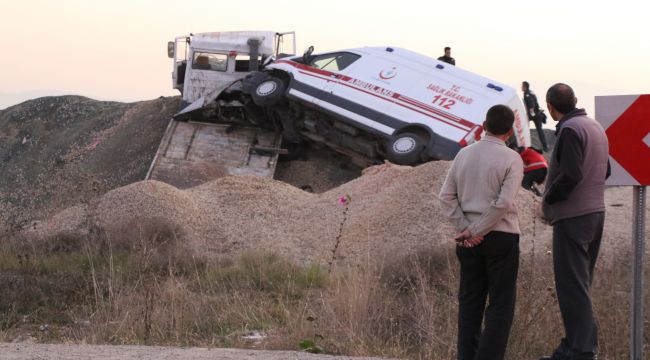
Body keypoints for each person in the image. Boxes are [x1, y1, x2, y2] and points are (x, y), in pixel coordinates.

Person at [439, 104, 523, 360]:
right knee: (500, 304)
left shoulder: (463, 154)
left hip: (467, 241)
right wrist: (478, 229)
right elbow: (503, 203)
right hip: (502, 236)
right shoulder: (512, 159)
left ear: (484, 125)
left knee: (470, 303)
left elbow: (446, 197)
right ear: (509, 132)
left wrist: (466, 229)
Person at [539, 83, 610, 360]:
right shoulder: (595, 127)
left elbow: (570, 175)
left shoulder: (570, 130)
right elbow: (605, 170)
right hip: (596, 213)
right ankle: (573, 345)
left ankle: (580, 350)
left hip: (574, 217)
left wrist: (549, 200)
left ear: (550, 107)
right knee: (580, 282)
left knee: (572, 284)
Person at [522, 81, 549, 152]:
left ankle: (524, 145)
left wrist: (532, 115)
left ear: (525, 86)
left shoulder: (527, 94)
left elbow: (531, 105)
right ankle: (545, 147)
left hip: (534, 115)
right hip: (537, 114)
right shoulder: (531, 92)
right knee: (540, 131)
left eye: (522, 86)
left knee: (524, 127)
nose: (521, 87)